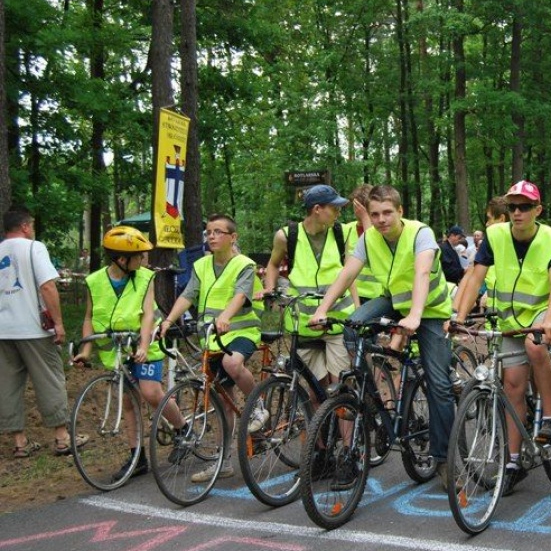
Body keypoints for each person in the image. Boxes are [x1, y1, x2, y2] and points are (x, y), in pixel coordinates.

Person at [310, 185, 455, 491]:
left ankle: (445, 460)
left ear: (400, 211)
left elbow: (422, 273)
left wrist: (415, 316)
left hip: (429, 309)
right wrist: (322, 309)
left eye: (387, 212)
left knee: (439, 385)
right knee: (352, 325)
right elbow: (347, 274)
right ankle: (372, 389)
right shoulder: (369, 238)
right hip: (394, 300)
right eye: (374, 214)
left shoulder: (421, 233)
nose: (380, 220)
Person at [455, 180, 551, 495]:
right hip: (510, 320)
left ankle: (550, 417)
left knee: (535, 346)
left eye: (524, 207)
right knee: (512, 387)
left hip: (543, 314)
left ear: (538, 210)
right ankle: (512, 462)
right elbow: (475, 276)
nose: (517, 213)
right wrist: (460, 318)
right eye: (512, 207)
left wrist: (548, 323)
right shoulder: (494, 236)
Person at [72, 226, 186, 483]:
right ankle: (137, 457)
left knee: (150, 392)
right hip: (118, 349)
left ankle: (183, 429)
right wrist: (85, 350)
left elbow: (148, 314)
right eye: (139, 256)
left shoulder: (145, 278)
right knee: (129, 404)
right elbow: (89, 317)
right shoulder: (95, 282)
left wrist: (144, 345)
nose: (144, 259)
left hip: (145, 342)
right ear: (122, 260)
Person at [160, 213, 265, 482]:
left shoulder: (244, 264)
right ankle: (223, 461)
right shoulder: (202, 265)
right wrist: (169, 319)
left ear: (233, 237)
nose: (212, 237)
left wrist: (226, 316)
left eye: (218, 232)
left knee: (233, 364)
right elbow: (188, 295)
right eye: (208, 232)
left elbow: (241, 295)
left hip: (241, 332)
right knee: (221, 403)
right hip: (212, 338)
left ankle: (258, 405)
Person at [0, 206, 88, 457]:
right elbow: (48, 286)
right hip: (33, 328)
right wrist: (58, 323)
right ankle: (62, 438)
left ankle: (19, 442)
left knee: (7, 384)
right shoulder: (34, 247)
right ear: (26, 226)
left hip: (4, 330)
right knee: (49, 379)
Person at [257, 184, 354, 390]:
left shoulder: (341, 233)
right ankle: (320, 423)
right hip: (303, 325)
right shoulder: (286, 236)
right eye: (334, 208)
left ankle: (343, 419)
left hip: (337, 322)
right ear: (317, 209)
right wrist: (270, 287)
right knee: (314, 391)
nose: (338, 212)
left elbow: (350, 272)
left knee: (340, 391)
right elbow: (273, 265)